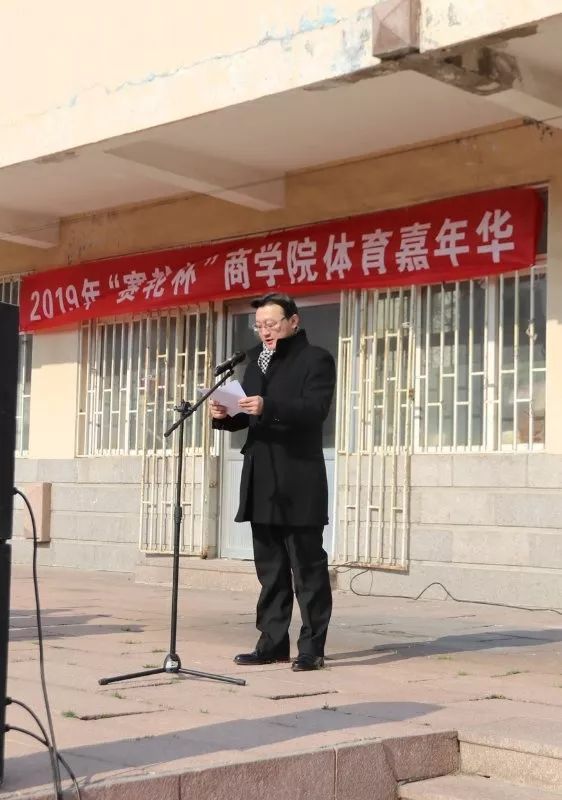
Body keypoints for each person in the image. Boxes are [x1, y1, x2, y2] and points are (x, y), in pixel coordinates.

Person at [211, 293, 336, 671]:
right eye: (259, 326)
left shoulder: (316, 359)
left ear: (293, 322)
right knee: (270, 569)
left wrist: (269, 406)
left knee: (307, 568)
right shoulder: (254, 365)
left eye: (271, 324)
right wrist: (225, 415)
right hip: (262, 478)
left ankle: (312, 647)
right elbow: (249, 417)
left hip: (298, 478)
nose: (265, 331)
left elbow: (315, 410)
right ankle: (272, 643)